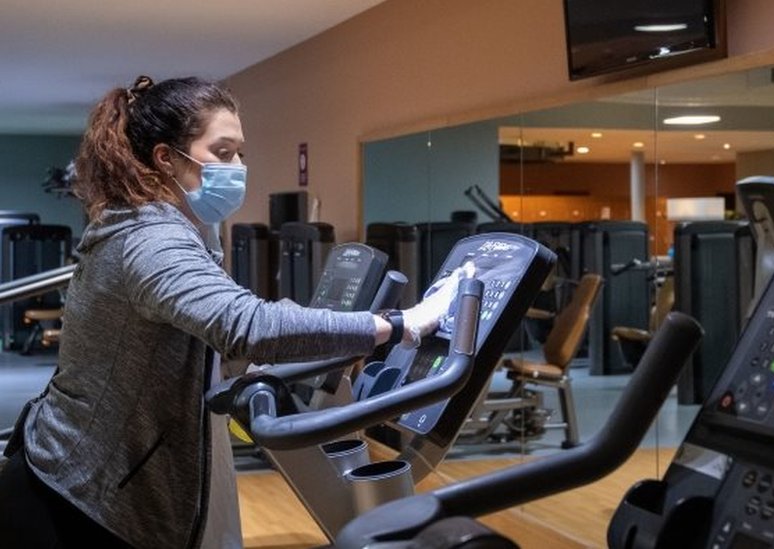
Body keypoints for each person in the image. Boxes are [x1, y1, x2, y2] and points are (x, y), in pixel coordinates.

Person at [0, 75, 462, 548]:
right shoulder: (150, 239)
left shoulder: (169, 228)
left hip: (85, 476)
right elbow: (246, 325)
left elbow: (214, 333)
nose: (239, 166)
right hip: (78, 495)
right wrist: (400, 324)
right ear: (166, 159)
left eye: (240, 153)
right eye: (223, 152)